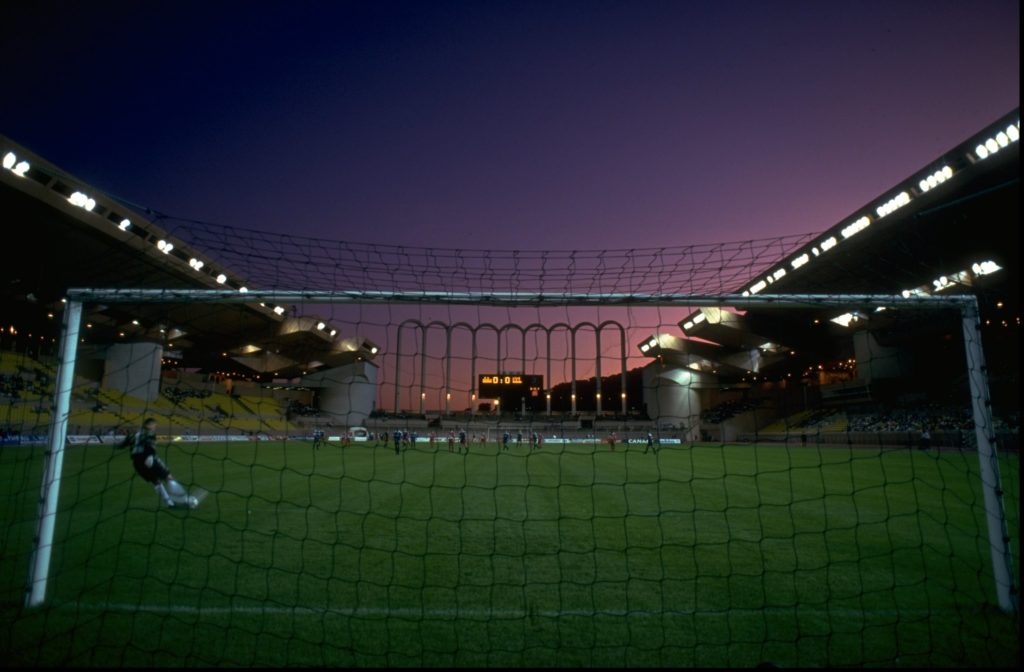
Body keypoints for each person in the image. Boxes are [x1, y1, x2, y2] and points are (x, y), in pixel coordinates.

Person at [126, 418, 186, 508]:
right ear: (147, 425)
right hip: (148, 459)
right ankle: (183, 499)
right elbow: (149, 447)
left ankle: (170, 503)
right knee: (168, 477)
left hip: (137, 463)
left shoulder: (136, 434)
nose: (155, 426)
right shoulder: (149, 433)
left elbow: (126, 444)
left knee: (156, 481)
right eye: (153, 424)